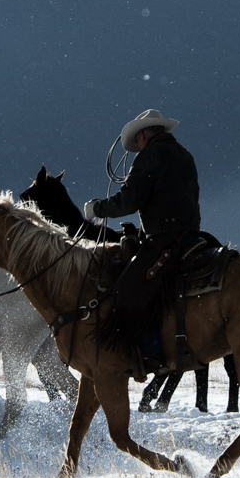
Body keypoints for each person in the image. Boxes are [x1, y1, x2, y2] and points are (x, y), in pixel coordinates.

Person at [82, 109, 202, 372]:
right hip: (192, 233)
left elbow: (129, 200)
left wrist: (97, 209)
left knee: (127, 290)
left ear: (144, 135)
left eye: (137, 140)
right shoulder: (184, 154)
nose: (137, 146)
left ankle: (151, 353)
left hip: (166, 237)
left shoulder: (150, 156)